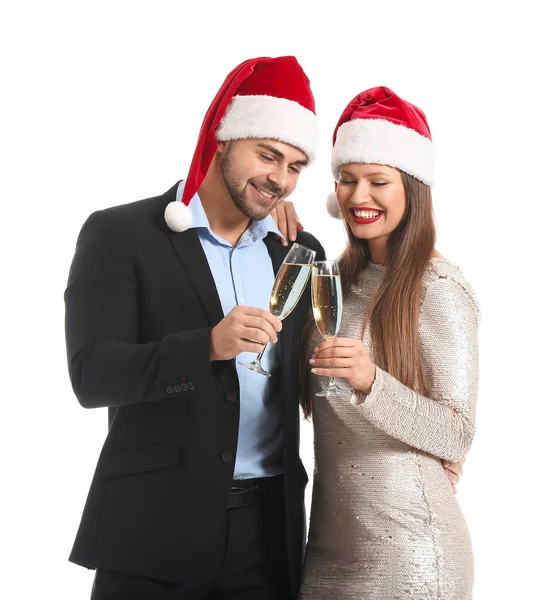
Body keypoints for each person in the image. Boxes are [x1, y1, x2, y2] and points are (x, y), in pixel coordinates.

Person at [64, 55, 326, 600]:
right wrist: (207, 346)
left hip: (267, 537)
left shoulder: (298, 253)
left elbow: (304, 377)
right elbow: (92, 375)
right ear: (223, 139)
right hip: (153, 532)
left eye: (296, 166)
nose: (279, 179)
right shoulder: (121, 234)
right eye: (268, 155)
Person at [299, 87, 480, 599]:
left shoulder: (438, 288)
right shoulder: (335, 279)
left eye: (379, 182)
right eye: (348, 181)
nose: (359, 197)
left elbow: (458, 433)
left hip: (412, 551)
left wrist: (372, 381)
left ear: (412, 190)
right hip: (330, 546)